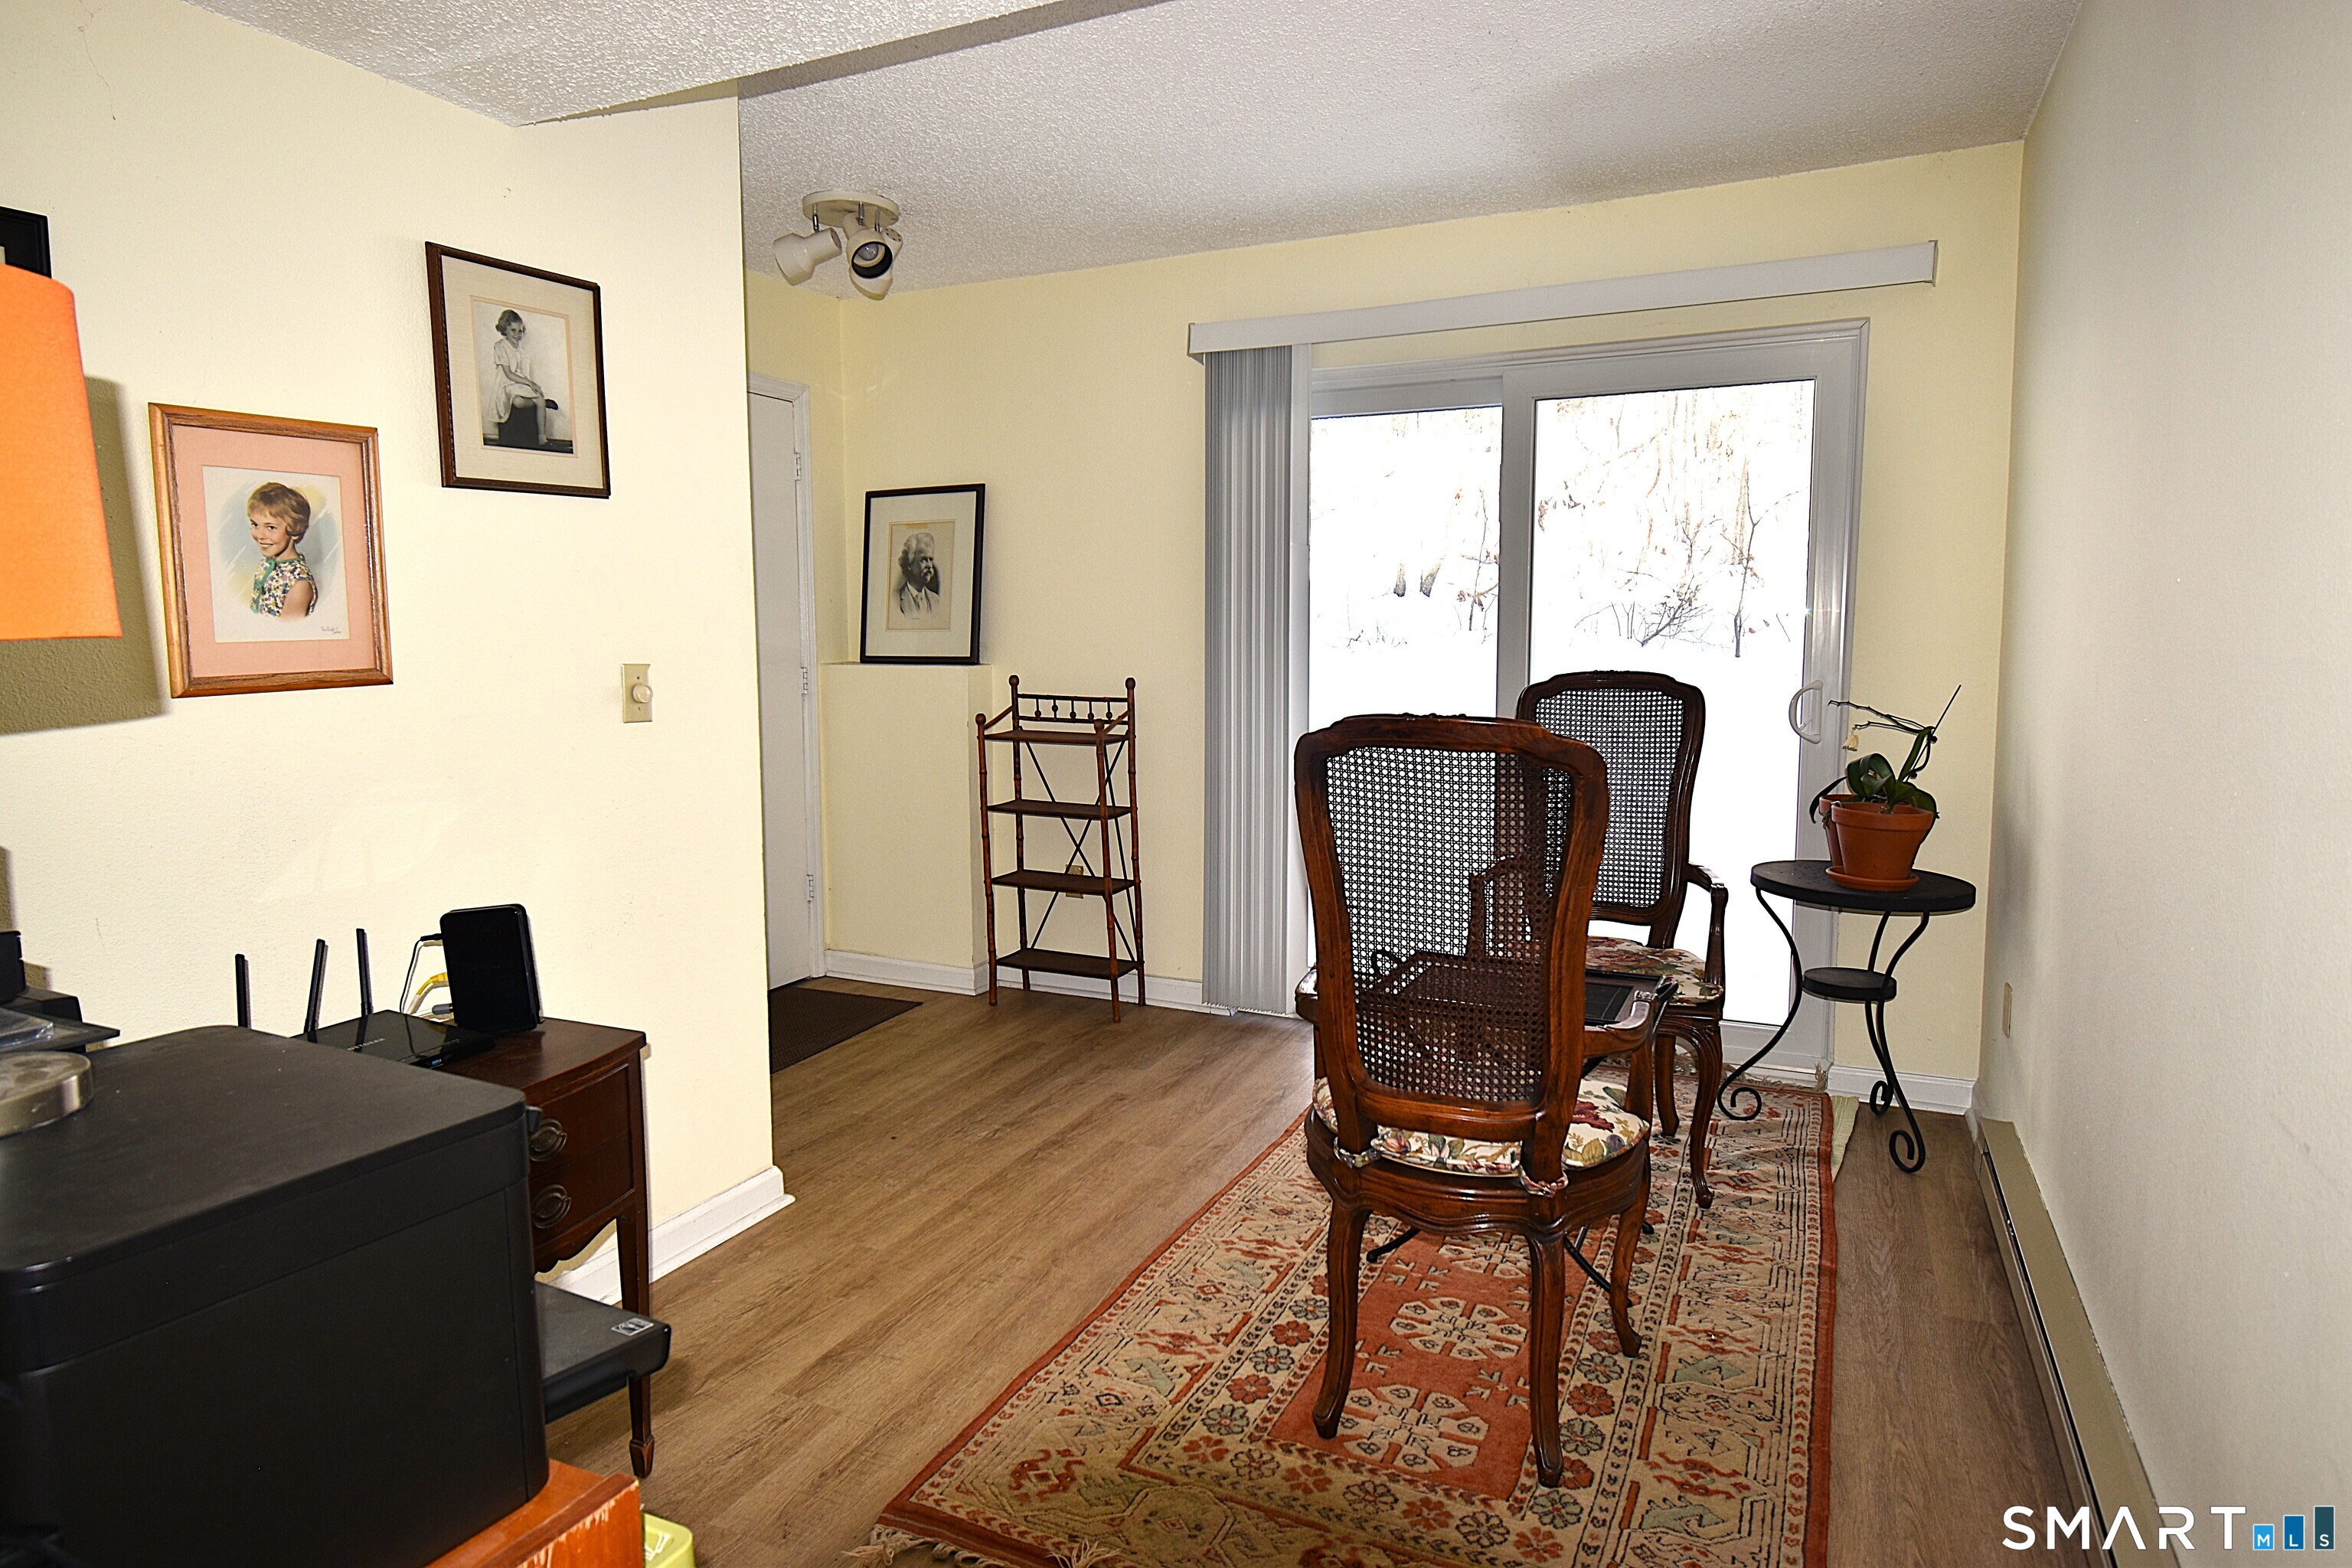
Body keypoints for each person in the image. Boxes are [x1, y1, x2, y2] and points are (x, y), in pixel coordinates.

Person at [245, 482, 315, 619]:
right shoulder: (265, 564)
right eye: (255, 525)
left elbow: (287, 633)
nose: (260, 535)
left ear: (294, 530)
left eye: (270, 527)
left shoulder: (299, 583)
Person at [489, 309, 557, 447]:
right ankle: (543, 403)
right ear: (505, 330)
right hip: (506, 385)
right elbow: (509, 374)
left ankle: (542, 438)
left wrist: (530, 386)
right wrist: (531, 384)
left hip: (519, 383)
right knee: (519, 403)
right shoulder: (500, 346)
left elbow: (522, 373)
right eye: (513, 330)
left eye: (520, 331)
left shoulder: (521, 351)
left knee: (539, 400)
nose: (517, 334)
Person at [896, 531, 942, 619]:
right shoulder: (896, 599)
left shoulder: (936, 601)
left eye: (931, 559)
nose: (929, 565)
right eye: (923, 560)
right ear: (910, 564)